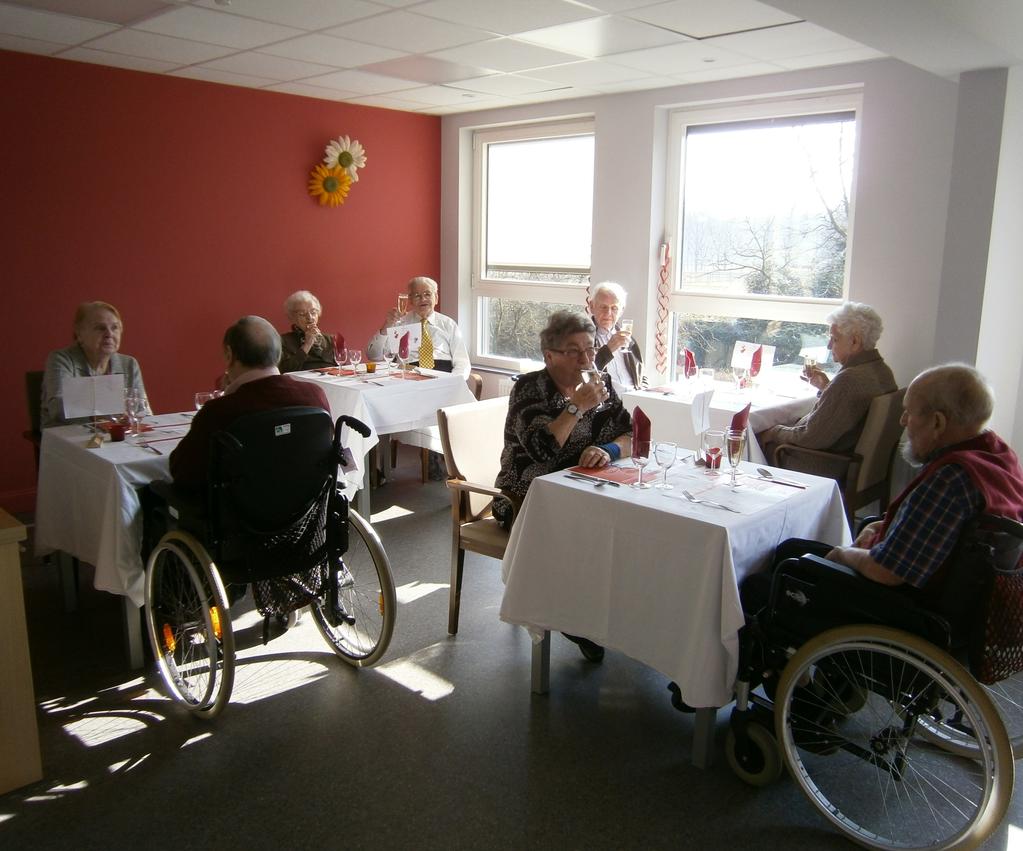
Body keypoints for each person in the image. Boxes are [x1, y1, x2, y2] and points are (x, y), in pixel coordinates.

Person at [747, 363, 1023, 605]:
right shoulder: (996, 455)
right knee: (789, 548)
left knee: (760, 585)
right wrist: (882, 526)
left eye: (909, 413)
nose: (903, 421)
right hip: (955, 595)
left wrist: (845, 554)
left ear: (938, 422)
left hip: (903, 605)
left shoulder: (951, 479)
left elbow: (887, 572)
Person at [495, 310, 633, 662]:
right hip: (525, 498)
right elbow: (542, 449)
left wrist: (607, 449)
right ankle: (575, 617)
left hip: (584, 491)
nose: (586, 359)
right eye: (574, 351)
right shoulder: (529, 389)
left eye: (589, 349)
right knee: (583, 538)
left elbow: (631, 434)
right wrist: (576, 407)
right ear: (550, 356)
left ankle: (618, 618)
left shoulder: (599, 382)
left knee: (629, 533)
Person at [170, 316, 330, 495]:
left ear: (229, 354)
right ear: (278, 355)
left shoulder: (218, 412)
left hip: (236, 519)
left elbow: (183, 474)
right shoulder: (315, 396)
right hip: (305, 512)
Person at [758, 302, 897, 474]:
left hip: (821, 464)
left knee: (753, 437)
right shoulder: (882, 371)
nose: (829, 346)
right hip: (849, 459)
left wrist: (775, 432)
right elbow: (847, 412)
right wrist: (827, 387)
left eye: (835, 339)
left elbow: (811, 437)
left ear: (854, 342)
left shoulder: (849, 381)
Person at [41, 300, 147, 428]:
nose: (109, 334)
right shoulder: (61, 359)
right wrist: (113, 409)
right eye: (100, 328)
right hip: (69, 437)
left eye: (115, 327)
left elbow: (142, 410)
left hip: (118, 436)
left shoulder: (129, 363)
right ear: (79, 333)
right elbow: (58, 408)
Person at [366, 276, 470, 378]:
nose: (423, 299)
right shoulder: (400, 323)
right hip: (409, 377)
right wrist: (387, 325)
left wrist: (453, 382)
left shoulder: (448, 324)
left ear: (436, 298)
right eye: (417, 295)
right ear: (410, 300)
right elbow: (374, 356)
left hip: (443, 376)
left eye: (427, 294)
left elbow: (462, 363)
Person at [588, 281, 644, 394]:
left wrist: (643, 394)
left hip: (634, 398)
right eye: (603, 307)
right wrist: (608, 349)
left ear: (622, 310)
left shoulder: (628, 338)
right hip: (607, 404)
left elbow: (641, 374)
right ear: (592, 307)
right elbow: (585, 375)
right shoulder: (584, 338)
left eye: (614, 308)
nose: (608, 313)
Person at [279, 290, 340, 373]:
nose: (310, 317)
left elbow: (342, 367)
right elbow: (285, 371)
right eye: (302, 314)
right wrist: (307, 344)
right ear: (292, 317)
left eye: (313, 312)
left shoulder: (331, 339)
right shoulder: (283, 341)